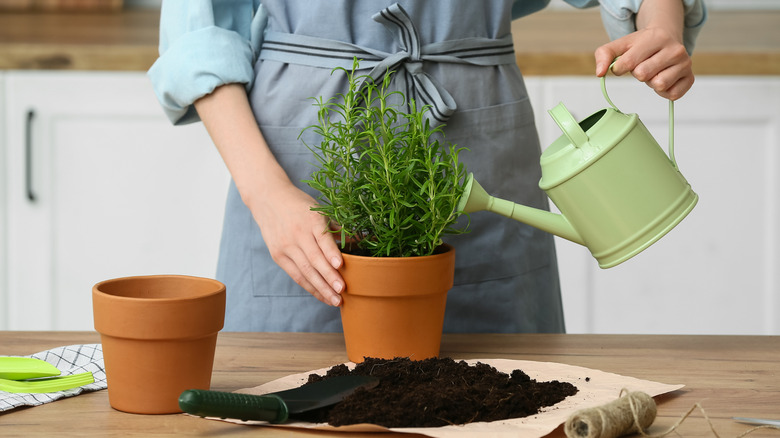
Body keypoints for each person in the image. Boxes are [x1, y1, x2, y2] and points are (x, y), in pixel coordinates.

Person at [149, 0, 706, 332]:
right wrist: (267, 194)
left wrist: (662, 23)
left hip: (482, 145)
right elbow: (200, 29)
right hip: (296, 171)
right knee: (290, 399)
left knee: (513, 398)